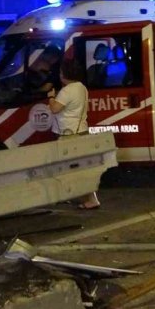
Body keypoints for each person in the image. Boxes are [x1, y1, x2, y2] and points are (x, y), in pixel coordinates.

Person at [47, 59, 99, 210]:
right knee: (77, 168)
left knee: (76, 169)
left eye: (61, 72)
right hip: (80, 131)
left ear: (65, 74)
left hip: (69, 134)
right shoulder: (81, 87)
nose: (59, 75)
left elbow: (55, 109)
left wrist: (51, 97)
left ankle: (92, 199)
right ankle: (70, 195)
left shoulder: (67, 91)